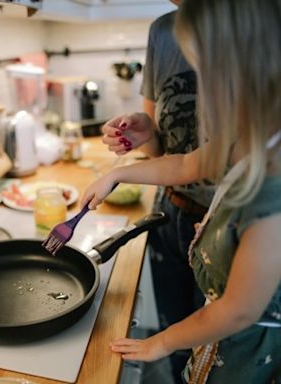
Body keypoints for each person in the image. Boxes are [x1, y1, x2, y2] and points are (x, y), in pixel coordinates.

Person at [82, 0, 281, 382]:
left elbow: (238, 310)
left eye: (207, 71)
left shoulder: (271, 193)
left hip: (244, 352)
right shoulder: (251, 136)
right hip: (218, 336)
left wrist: (163, 342)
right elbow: (186, 164)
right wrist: (116, 175)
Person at [102, 2, 209, 381]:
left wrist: (120, 175)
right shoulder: (164, 31)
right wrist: (143, 132)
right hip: (172, 213)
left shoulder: (260, 23)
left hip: (230, 226)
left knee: (215, 353)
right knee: (175, 338)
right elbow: (168, 153)